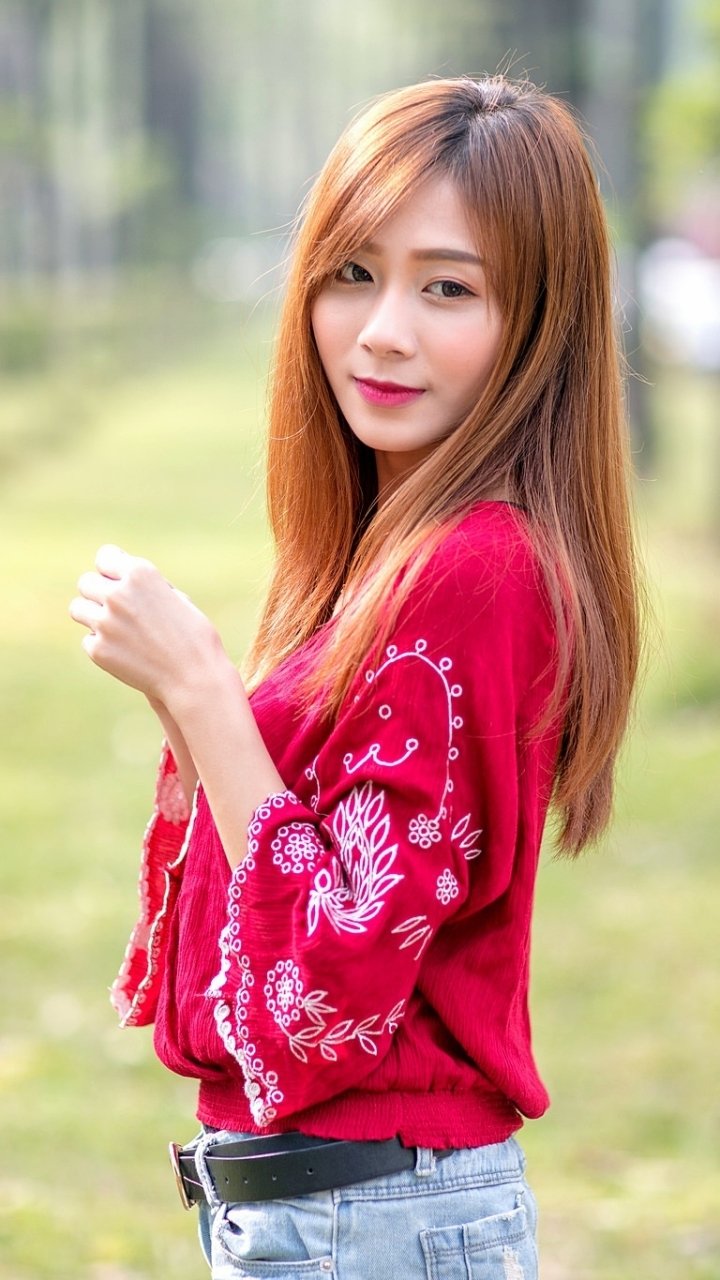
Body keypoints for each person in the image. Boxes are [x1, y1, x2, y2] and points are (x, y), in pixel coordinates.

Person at [70, 75, 642, 1280]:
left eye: (449, 287)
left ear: (537, 321)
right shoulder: (390, 556)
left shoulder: (477, 568)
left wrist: (203, 692)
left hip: (369, 1222)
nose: (382, 329)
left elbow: (331, 984)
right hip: (338, 1216)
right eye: (352, 272)